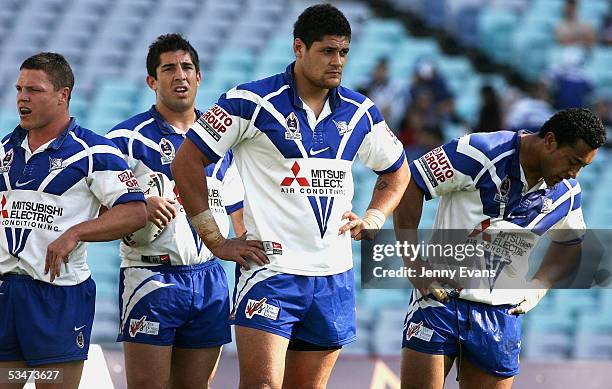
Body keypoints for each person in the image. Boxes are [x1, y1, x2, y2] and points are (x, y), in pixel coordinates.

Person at [171, 4, 409, 388]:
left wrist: (374, 219)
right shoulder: (250, 101)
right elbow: (186, 162)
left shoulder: (360, 111)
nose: (337, 62)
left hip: (334, 276)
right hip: (271, 271)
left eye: (344, 52)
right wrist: (214, 240)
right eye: (327, 51)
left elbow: (398, 170)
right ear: (299, 48)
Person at [394, 108, 605, 389]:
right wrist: (414, 263)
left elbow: (570, 243)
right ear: (550, 141)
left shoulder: (566, 193)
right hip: (439, 301)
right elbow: (411, 183)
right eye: (572, 161)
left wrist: (538, 287)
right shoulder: (477, 151)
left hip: (501, 315)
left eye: (582, 167)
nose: (573, 173)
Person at [105, 34, 245, 389]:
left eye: (186, 67)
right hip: (151, 277)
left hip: (210, 278)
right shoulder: (125, 139)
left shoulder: (221, 141)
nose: (179, 75)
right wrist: (140, 206)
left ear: (199, 77)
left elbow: (238, 213)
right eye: (168, 68)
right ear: (152, 81)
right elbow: (100, 206)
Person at [0, 52, 147, 388]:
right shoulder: (4, 152)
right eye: (19, 88)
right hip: (6, 293)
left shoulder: (93, 151)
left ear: (62, 95)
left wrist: (76, 233)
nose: (22, 97)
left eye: (34, 90)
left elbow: (135, 211)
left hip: (58, 296)